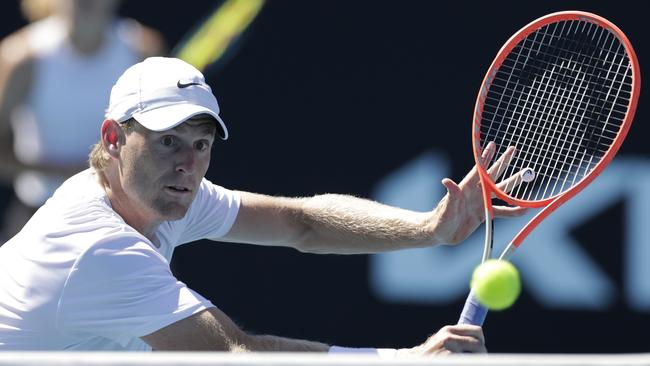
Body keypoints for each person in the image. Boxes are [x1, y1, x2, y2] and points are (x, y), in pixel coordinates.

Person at [0, 57, 526, 353]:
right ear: (113, 138)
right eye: (167, 141)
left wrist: (429, 229)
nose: (188, 164)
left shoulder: (148, 192)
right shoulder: (100, 248)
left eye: (201, 145)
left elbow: (301, 223)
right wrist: (404, 361)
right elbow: (237, 356)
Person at [0, 0, 163, 240]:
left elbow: (160, 142)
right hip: (41, 218)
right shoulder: (21, 59)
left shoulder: (143, 51)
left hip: (123, 219)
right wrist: (74, 173)